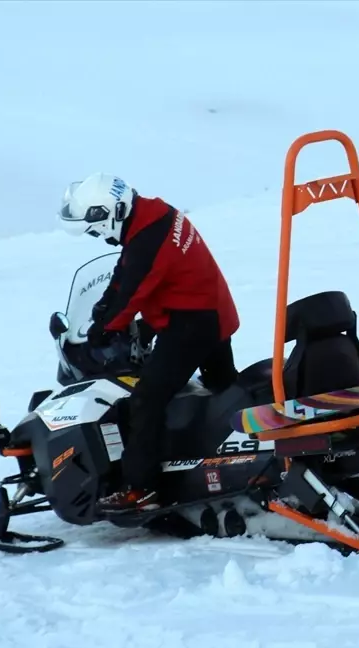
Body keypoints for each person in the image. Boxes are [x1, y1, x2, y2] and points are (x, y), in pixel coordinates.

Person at [58, 172, 240, 514]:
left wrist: (101, 330)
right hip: (208, 308)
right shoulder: (153, 213)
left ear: (108, 214)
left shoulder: (148, 238)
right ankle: (218, 461)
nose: (98, 235)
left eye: (95, 228)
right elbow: (126, 270)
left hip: (191, 323)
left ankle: (140, 489)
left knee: (145, 400)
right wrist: (102, 308)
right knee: (222, 389)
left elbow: (130, 292)